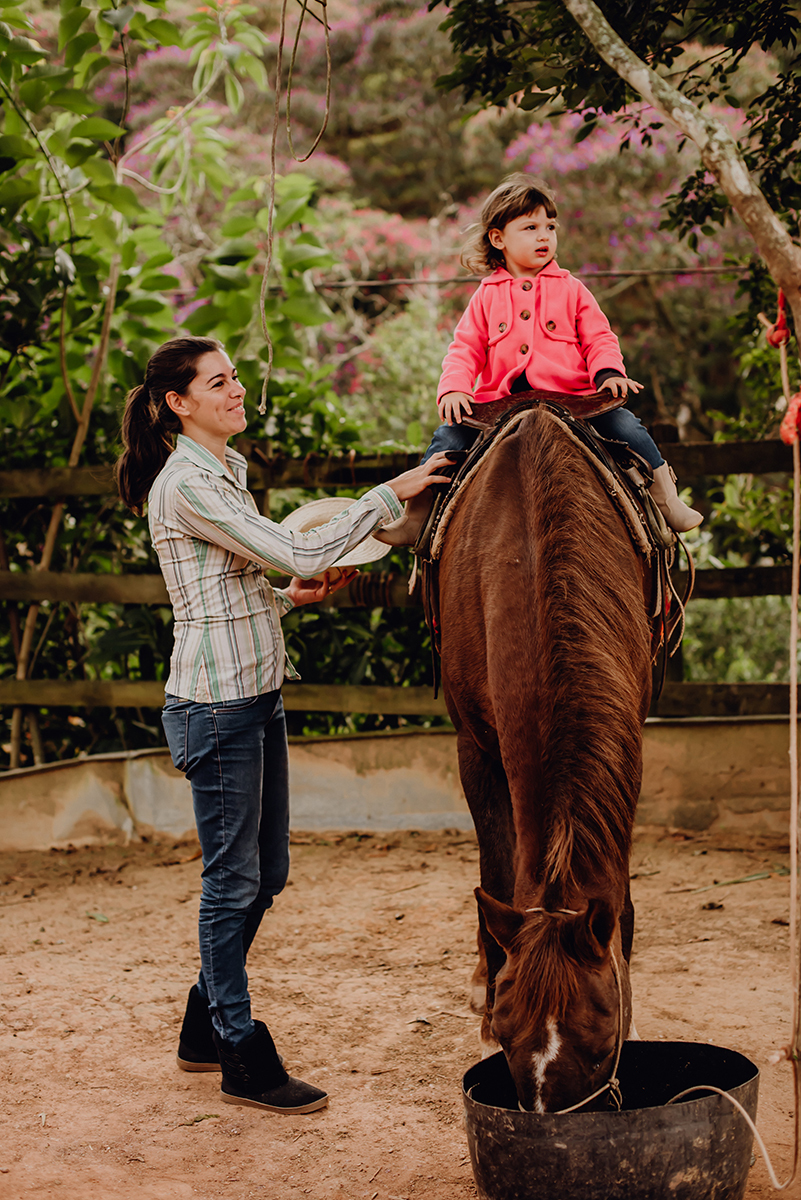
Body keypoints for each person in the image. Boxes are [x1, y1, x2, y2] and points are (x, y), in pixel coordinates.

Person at [115, 335, 453, 1115]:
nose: (237, 391)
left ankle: (204, 1026)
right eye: (220, 382)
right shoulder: (187, 484)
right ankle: (237, 1047)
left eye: (234, 378)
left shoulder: (223, 473)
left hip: (253, 692)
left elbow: (226, 587)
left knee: (266, 876)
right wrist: (387, 494)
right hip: (216, 704)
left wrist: (285, 602)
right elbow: (289, 547)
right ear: (179, 403)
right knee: (231, 883)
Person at [376, 173, 702, 546]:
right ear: (498, 238)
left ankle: (666, 499)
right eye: (530, 227)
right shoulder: (486, 296)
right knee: (446, 439)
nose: (545, 235)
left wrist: (610, 373)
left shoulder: (572, 288)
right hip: (499, 402)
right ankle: (416, 516)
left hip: (574, 398)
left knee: (628, 427)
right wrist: (454, 389)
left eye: (550, 226)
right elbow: (464, 348)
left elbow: (599, 337)